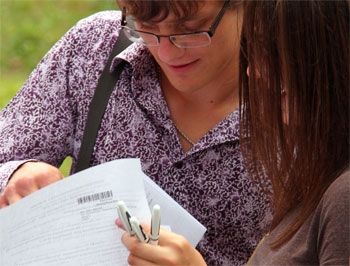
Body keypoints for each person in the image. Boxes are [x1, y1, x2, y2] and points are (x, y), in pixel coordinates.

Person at [0, 0, 272, 265]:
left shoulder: (295, 96)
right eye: (145, 26)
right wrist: (17, 173)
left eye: (191, 29)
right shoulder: (94, 49)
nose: (167, 52)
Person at [117, 0, 349, 265]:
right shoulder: (318, 172)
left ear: (330, 58)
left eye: (272, 52)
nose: (253, 71)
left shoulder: (344, 196)